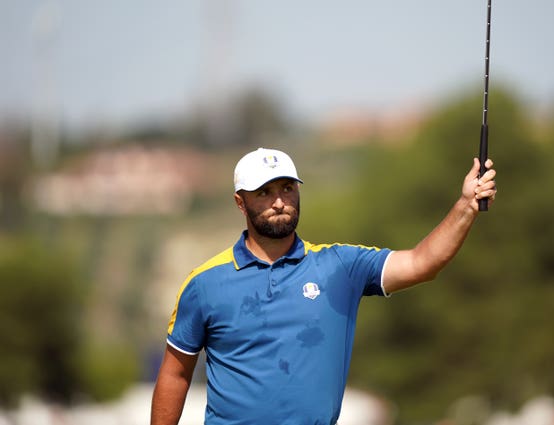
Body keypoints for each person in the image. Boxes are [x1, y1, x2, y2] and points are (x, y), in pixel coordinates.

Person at [151, 147, 497, 425]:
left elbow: (423, 263)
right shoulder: (205, 282)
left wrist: (466, 205)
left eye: (287, 188)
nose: (278, 201)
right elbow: (175, 375)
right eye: (264, 192)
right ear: (240, 202)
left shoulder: (340, 266)